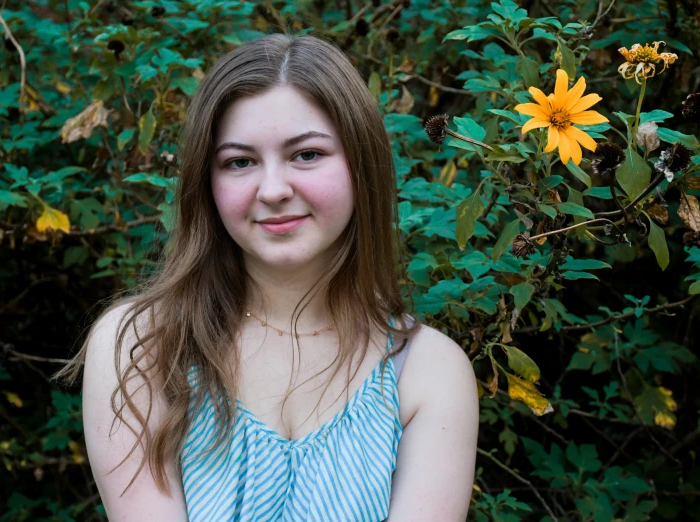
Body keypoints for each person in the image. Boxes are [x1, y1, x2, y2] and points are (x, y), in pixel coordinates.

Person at [55, 33, 479, 522]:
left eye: (307, 154)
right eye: (240, 162)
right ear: (206, 184)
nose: (273, 189)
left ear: (362, 164)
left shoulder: (429, 373)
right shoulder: (141, 347)